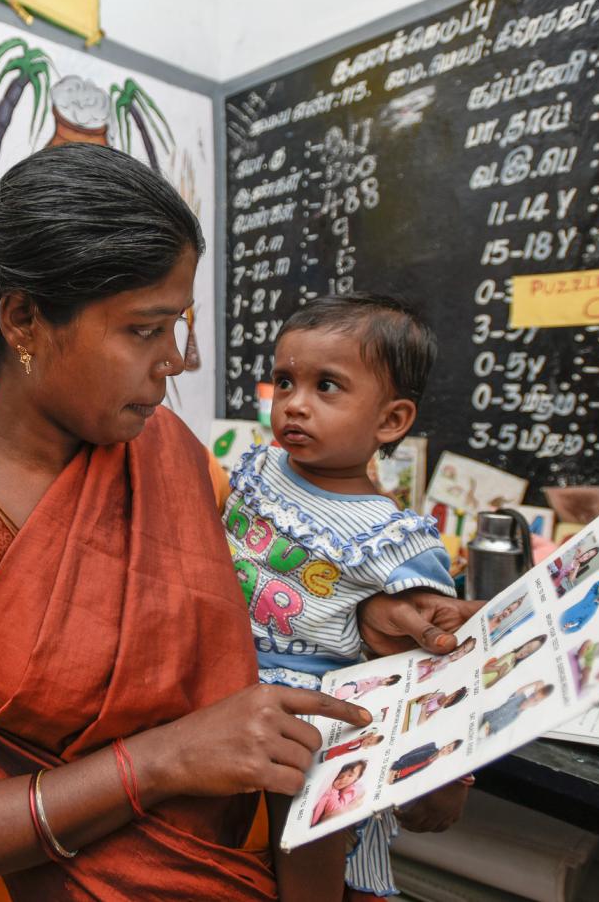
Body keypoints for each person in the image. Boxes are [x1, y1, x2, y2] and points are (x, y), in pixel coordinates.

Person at [0, 144, 480, 901]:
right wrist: (160, 761)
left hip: (268, 864)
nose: (175, 361)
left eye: (177, 326)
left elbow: (240, 611)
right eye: (146, 330)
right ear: (23, 319)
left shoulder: (168, 454)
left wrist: (363, 619)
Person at [223, 293, 464, 898]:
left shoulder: (392, 539)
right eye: (285, 382)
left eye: (326, 386)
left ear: (390, 421)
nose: (295, 404)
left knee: (306, 847)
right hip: (230, 687)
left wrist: (450, 778)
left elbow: (442, 664)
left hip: (322, 717)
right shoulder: (260, 473)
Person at [479, 681, 554, 736]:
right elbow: (540, 683)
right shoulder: (519, 696)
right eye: (534, 696)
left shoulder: (519, 712)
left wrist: (536, 697)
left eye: (536, 700)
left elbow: (534, 700)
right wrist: (537, 690)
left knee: (484, 732)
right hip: (486, 720)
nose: (533, 699)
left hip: (489, 730)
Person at [311, 761, 368, 827]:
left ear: (356, 778)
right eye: (342, 772)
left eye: (350, 775)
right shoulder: (330, 782)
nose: (344, 778)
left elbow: (334, 810)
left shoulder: (354, 789)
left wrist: (334, 791)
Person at [481, 635, 548, 689]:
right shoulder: (509, 655)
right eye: (528, 647)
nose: (525, 652)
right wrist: (499, 669)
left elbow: (488, 686)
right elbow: (483, 670)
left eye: (529, 652)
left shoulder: (512, 666)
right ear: (525, 644)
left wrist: (500, 674)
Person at [387, 741, 463, 784]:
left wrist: (395, 781)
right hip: (393, 770)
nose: (446, 750)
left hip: (397, 777)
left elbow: (412, 773)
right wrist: (393, 770)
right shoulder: (431, 749)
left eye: (449, 751)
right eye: (449, 747)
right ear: (446, 745)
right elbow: (409, 757)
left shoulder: (435, 763)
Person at [331, 674, 402, 701]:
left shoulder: (377, 686)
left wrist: (359, 696)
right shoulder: (377, 678)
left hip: (355, 691)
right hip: (353, 685)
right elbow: (368, 679)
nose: (383, 684)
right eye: (386, 682)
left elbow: (367, 691)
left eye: (386, 685)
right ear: (389, 677)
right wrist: (367, 682)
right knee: (340, 695)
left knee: (341, 700)